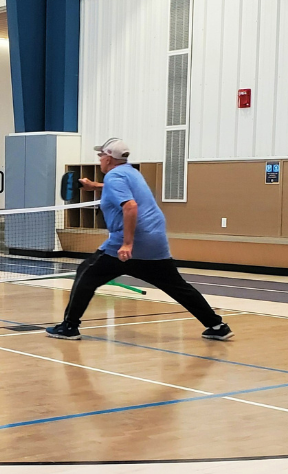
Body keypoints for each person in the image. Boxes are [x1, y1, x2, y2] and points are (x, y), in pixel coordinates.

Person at [47, 137, 233, 341]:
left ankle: (69, 327)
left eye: (101, 155)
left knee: (86, 273)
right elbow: (124, 189)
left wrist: (127, 244)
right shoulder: (131, 173)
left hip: (130, 242)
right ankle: (217, 326)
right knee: (178, 286)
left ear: (109, 158)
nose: (99, 158)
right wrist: (95, 186)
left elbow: (130, 206)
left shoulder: (114, 177)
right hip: (155, 241)